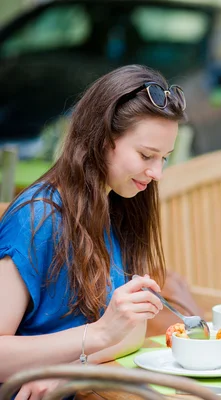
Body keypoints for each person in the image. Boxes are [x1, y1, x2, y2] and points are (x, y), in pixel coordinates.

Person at [0, 64, 186, 399]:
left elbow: (130, 329)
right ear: (102, 140)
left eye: (165, 158)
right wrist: (98, 335)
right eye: (146, 155)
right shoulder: (37, 218)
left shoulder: (119, 204)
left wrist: (73, 371)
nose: (156, 172)